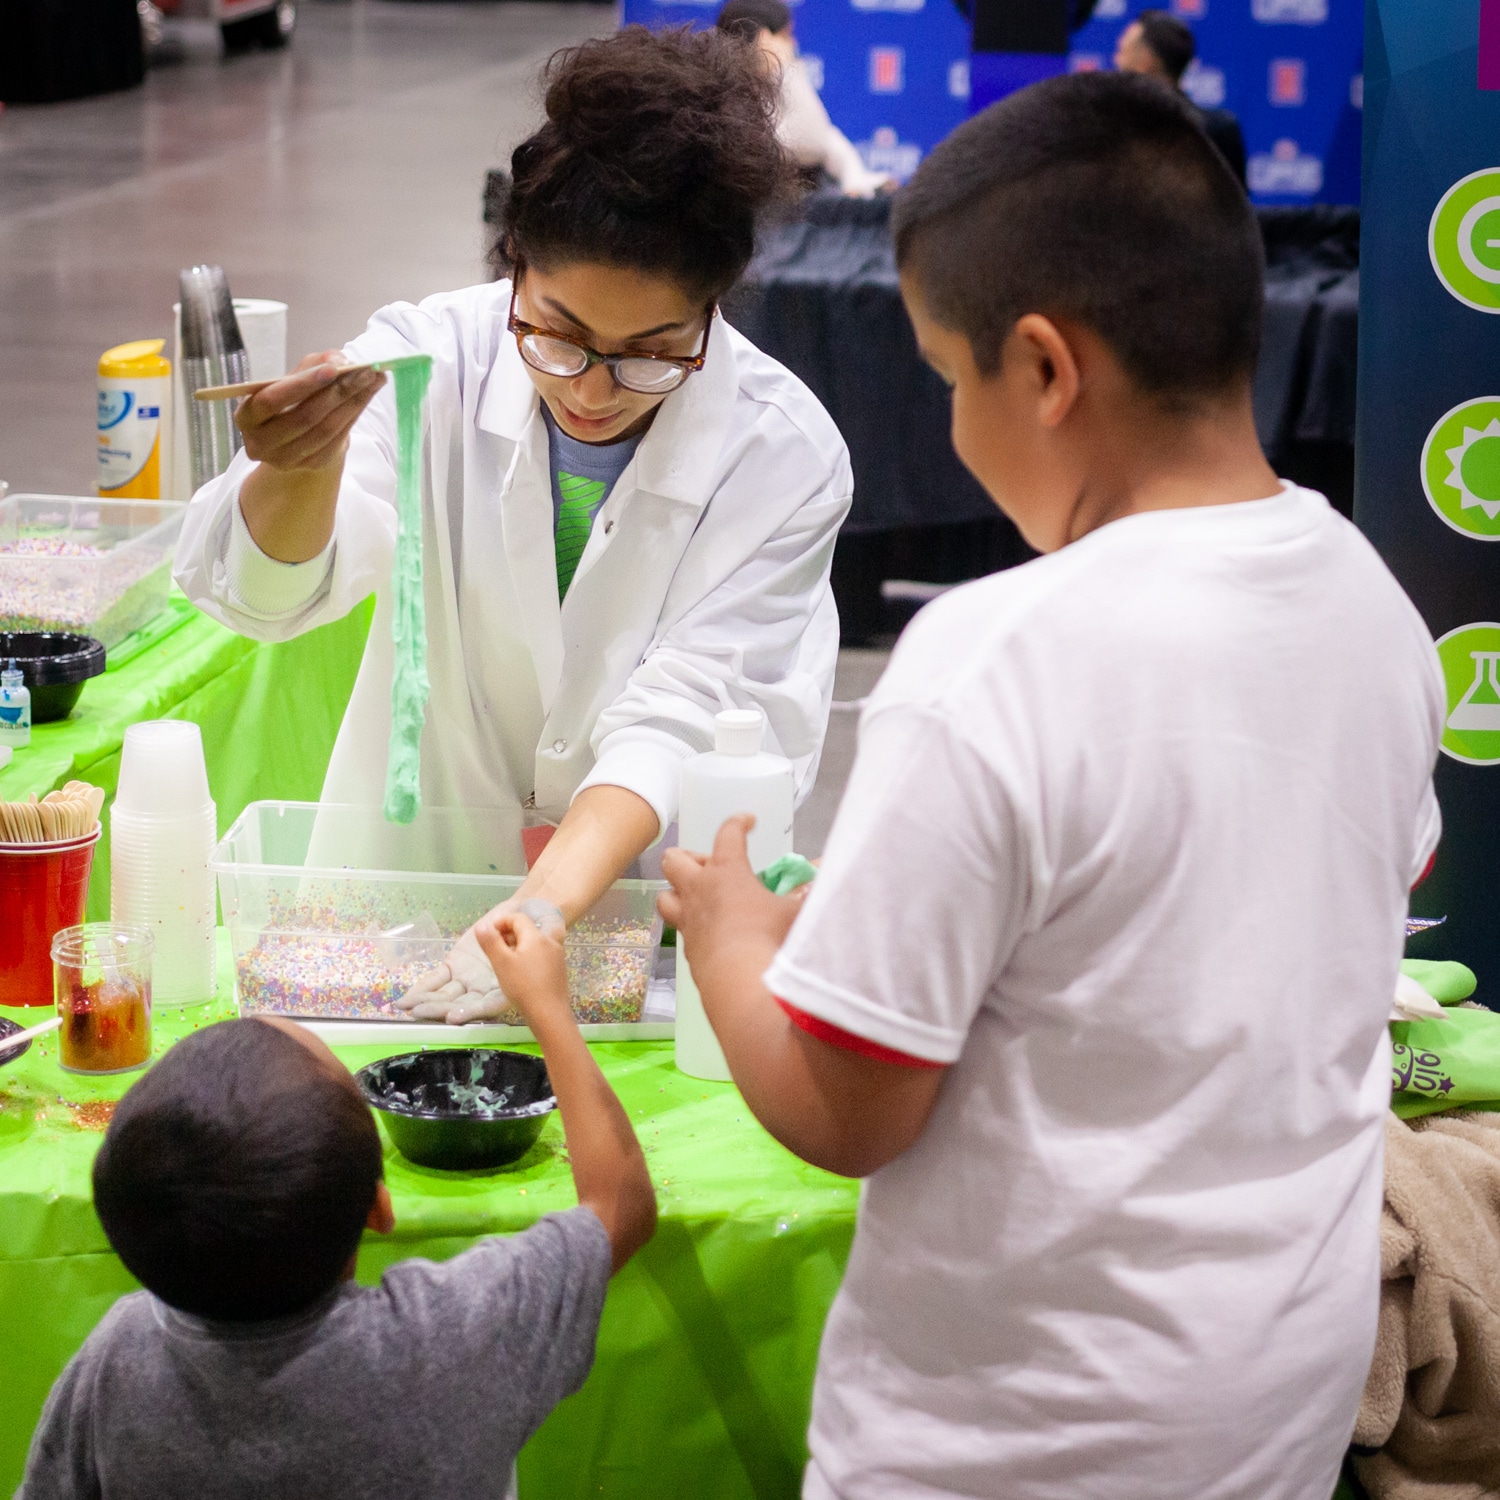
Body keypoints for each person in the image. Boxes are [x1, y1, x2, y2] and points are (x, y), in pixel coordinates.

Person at [660, 73, 1443, 1500]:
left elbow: (846, 1116)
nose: (953, 425)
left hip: (1016, 1441)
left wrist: (728, 941)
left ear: (1044, 368)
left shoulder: (992, 660)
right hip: (1277, 1401)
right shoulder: (1372, 604)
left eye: (949, 377)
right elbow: (1363, 874)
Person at [173, 26, 853, 1023]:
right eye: (562, 336)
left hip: (638, 930)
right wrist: (298, 470)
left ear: (714, 308)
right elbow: (267, 597)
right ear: (514, 264)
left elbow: (679, 722)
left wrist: (535, 915)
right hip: (402, 911)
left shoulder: (782, 455)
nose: (597, 390)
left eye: (653, 350)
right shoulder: (424, 362)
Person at [18, 912, 654, 1498]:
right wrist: (549, 1008)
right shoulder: (454, 1335)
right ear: (380, 1208)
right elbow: (621, 1204)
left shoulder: (116, 1364)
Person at [717, 0, 893, 198]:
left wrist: (856, 179)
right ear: (762, 39)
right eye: (785, 35)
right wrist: (784, 66)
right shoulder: (723, 96)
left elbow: (827, 137)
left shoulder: (769, 89)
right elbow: (810, 142)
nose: (793, 43)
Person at [1114, 8, 1246, 187]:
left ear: (1146, 61)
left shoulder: (1118, 131)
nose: (1117, 62)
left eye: (1122, 52)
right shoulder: (1219, 130)